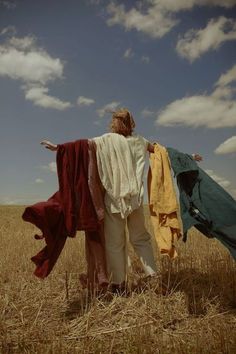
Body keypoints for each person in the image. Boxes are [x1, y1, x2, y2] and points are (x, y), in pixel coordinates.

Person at [41, 108, 202, 290]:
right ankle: (152, 275)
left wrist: (59, 148)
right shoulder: (140, 141)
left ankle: (119, 283)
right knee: (140, 239)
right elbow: (163, 153)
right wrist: (189, 157)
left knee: (114, 243)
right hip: (134, 200)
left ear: (114, 123)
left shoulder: (105, 140)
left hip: (114, 201)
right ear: (131, 123)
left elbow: (80, 147)